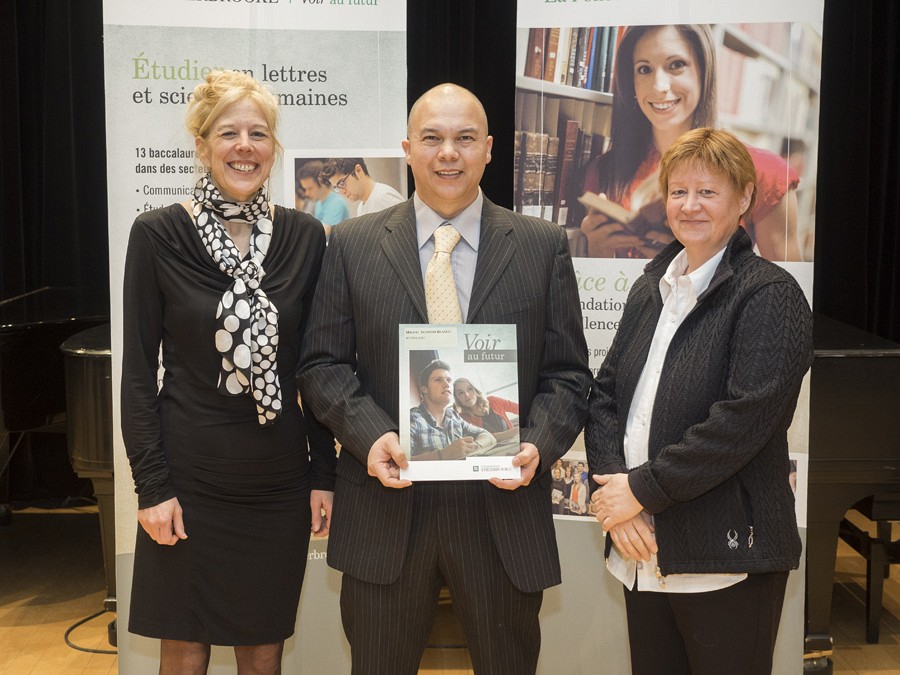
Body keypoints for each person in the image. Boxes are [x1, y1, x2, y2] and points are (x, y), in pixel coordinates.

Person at [297, 83, 591, 674]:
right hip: (387, 506)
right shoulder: (353, 244)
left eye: (463, 139)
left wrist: (535, 443)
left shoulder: (542, 247)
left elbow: (569, 375)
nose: (447, 153)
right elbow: (321, 366)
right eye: (432, 138)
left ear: (489, 150)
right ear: (408, 149)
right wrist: (372, 434)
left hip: (498, 513)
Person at [120, 70, 335, 675]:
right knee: (184, 651)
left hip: (277, 481)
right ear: (202, 144)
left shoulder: (305, 237)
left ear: (274, 148)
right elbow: (138, 375)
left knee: (263, 650)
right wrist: (152, 487)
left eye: (259, 133)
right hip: (187, 479)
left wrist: (325, 474)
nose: (245, 145)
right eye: (228, 132)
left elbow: (315, 369)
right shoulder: (158, 234)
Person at [586, 127, 813, 675]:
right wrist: (617, 498)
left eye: (708, 192)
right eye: (679, 191)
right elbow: (603, 399)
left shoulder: (770, 295)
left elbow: (739, 424)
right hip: (642, 548)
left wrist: (639, 490)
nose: (690, 206)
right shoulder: (650, 287)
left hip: (726, 553)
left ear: (742, 202)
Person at [578, 24, 802, 262]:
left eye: (676, 65)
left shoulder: (764, 173)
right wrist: (598, 250)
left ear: (703, 72)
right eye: (644, 69)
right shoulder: (603, 174)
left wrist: (699, 261)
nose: (659, 87)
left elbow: (789, 294)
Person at [409, 360, 496, 459]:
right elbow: (401, 463)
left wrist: (475, 447)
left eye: (449, 380)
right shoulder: (412, 419)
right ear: (424, 388)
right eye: (438, 380)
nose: (446, 384)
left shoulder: (453, 416)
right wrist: (444, 454)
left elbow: (485, 434)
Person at [320, 157, 405, 216]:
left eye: (342, 183)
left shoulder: (385, 198)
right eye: (337, 187)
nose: (342, 192)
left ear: (358, 171)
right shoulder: (361, 207)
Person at [452, 376, 519, 442]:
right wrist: (516, 431)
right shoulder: (462, 418)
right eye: (460, 393)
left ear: (475, 390)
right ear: (457, 398)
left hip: (513, 444)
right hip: (492, 451)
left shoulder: (493, 401)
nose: (467, 395)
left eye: (469, 389)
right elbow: (486, 437)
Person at [297, 159, 350, 239]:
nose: (307, 193)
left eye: (310, 188)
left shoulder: (337, 203)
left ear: (321, 182)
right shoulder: (318, 203)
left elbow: (322, 232)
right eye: (305, 189)